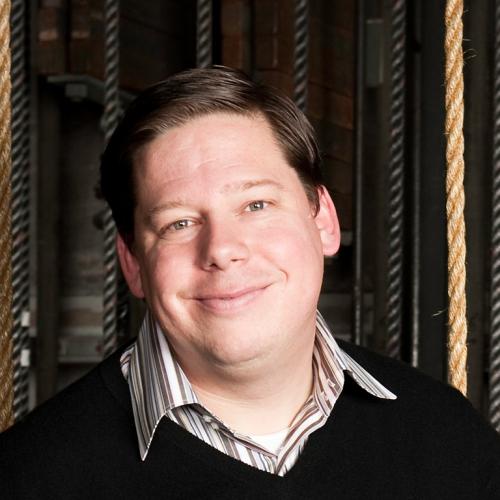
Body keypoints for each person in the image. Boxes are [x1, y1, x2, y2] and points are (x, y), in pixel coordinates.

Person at [1, 66, 499, 499]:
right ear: (132, 261)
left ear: (323, 219)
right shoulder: (30, 477)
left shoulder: (448, 437)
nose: (221, 249)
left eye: (256, 205)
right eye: (179, 223)